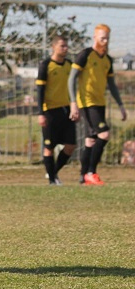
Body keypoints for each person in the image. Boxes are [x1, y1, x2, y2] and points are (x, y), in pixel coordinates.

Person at [69, 24, 127, 185]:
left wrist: (121, 105)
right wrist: (73, 103)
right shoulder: (85, 55)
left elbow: (112, 85)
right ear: (94, 37)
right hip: (87, 103)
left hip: (100, 103)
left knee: (91, 140)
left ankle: (83, 176)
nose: (105, 41)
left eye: (107, 38)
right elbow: (71, 79)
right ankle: (91, 172)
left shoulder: (107, 60)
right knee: (104, 134)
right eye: (102, 38)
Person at [35, 35, 76, 185]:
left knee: (71, 145)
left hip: (66, 110)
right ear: (53, 47)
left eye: (66, 46)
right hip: (50, 111)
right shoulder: (45, 65)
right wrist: (41, 113)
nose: (65, 49)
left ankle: (53, 172)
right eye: (62, 46)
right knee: (49, 147)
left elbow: (74, 87)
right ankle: (52, 181)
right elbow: (40, 90)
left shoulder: (70, 65)